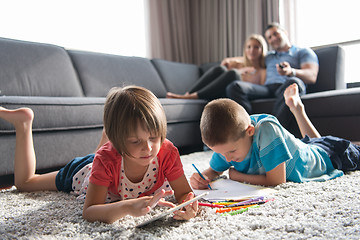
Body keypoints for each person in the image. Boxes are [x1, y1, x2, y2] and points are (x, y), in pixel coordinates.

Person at [0, 85, 198, 224]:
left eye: (154, 137)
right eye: (136, 141)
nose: (148, 148)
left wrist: (188, 207)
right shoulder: (105, 160)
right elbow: (90, 211)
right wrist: (127, 207)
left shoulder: (167, 151)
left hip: (114, 157)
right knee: (26, 183)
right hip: (86, 169)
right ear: (119, 139)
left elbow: (183, 194)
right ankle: (23, 123)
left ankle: (111, 137)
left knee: (111, 156)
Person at [190, 83, 360, 188]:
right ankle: (297, 109)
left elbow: (277, 181)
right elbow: (214, 170)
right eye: (220, 153)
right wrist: (203, 177)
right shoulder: (228, 144)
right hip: (307, 148)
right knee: (313, 144)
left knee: (322, 147)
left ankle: (297, 109)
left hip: (334, 155)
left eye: (231, 152)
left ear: (250, 131)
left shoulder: (267, 130)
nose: (227, 159)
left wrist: (236, 175)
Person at [226, 22, 319, 129]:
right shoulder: (268, 56)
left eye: (276, 34)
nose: (273, 38)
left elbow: (311, 76)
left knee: (294, 82)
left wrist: (291, 71)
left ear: (285, 32)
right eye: (269, 37)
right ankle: (247, 127)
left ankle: (273, 130)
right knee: (235, 86)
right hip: (267, 88)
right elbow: (248, 56)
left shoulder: (302, 52)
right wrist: (229, 60)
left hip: (287, 85)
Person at [166, 34, 267, 100]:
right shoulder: (239, 64)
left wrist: (239, 73)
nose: (252, 50)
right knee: (220, 69)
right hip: (217, 90)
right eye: (249, 47)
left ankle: (191, 96)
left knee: (233, 73)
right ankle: (188, 94)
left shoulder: (262, 71)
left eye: (256, 47)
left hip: (231, 93)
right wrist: (241, 68)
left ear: (262, 50)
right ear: (245, 50)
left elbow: (258, 90)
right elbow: (224, 62)